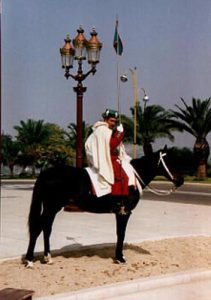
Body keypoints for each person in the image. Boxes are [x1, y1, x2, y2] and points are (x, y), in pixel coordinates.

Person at [85, 109, 136, 197]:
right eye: (111, 121)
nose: (113, 123)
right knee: (122, 177)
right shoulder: (102, 130)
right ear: (105, 119)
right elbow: (112, 144)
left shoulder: (104, 130)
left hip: (111, 157)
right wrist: (119, 133)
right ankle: (118, 201)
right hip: (107, 159)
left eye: (115, 121)